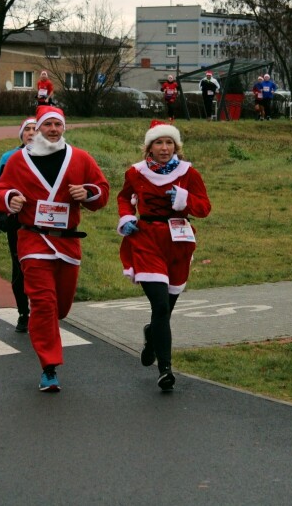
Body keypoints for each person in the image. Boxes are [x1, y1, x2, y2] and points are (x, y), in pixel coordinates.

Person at [0, 105, 109, 392]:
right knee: (43, 304)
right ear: (38, 128)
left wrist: (89, 192)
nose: (53, 129)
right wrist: (10, 199)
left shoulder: (80, 158)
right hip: (32, 241)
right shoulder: (20, 160)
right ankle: (49, 367)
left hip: (67, 241)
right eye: (48, 125)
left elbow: (102, 190)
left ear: (64, 127)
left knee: (62, 306)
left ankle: (47, 331)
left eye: (58, 124)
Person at [117, 120, 211, 391]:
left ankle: (151, 335)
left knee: (165, 311)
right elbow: (125, 198)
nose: (164, 148)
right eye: (159, 142)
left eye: (169, 143)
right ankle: (166, 370)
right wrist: (126, 217)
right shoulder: (135, 172)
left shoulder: (188, 173)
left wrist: (183, 198)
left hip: (178, 241)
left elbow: (204, 207)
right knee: (159, 306)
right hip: (146, 239)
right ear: (149, 147)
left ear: (176, 146)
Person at [0, 118, 37, 333]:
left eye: (36, 129)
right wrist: (0, 212)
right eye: (27, 129)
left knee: (41, 266)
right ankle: (23, 313)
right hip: (16, 219)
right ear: (21, 134)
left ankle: (41, 309)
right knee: (19, 266)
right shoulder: (9, 157)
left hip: (42, 220)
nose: (31, 133)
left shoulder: (52, 156)